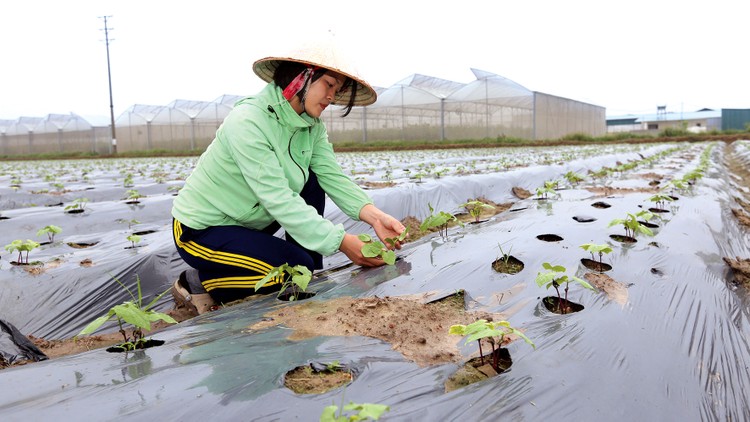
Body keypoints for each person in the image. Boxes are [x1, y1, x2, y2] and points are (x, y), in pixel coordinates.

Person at [170, 42, 406, 315]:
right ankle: (197, 281)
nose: (332, 96)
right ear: (301, 77)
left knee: (313, 181)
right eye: (329, 85)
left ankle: (306, 272)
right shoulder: (248, 121)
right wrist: (341, 242)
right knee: (292, 271)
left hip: (252, 223)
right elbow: (277, 197)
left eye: (337, 90)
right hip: (202, 229)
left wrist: (377, 218)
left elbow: (333, 176)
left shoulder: (311, 126)